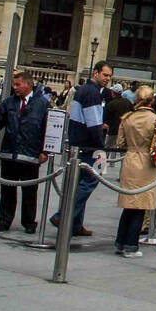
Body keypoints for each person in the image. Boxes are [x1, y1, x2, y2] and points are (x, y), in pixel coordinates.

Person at [0, 71, 49, 233]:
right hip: (9, 153)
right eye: (14, 84)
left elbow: (48, 128)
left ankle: (29, 221)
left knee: (30, 192)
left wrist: (45, 151)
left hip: (30, 155)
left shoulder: (42, 104)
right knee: (7, 189)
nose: (15, 87)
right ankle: (4, 220)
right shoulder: (9, 102)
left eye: (18, 84)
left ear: (28, 84)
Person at [53, 60, 110, 236]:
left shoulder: (83, 90)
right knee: (91, 181)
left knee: (79, 183)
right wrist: (101, 149)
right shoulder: (93, 93)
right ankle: (63, 215)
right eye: (105, 75)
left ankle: (75, 224)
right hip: (89, 145)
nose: (107, 78)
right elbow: (93, 124)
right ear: (95, 73)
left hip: (78, 142)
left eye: (109, 76)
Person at [114, 85, 156, 258]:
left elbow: (120, 143)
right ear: (152, 100)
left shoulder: (127, 118)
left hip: (129, 160)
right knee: (140, 206)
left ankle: (120, 241)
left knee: (128, 204)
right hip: (146, 163)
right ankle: (131, 245)